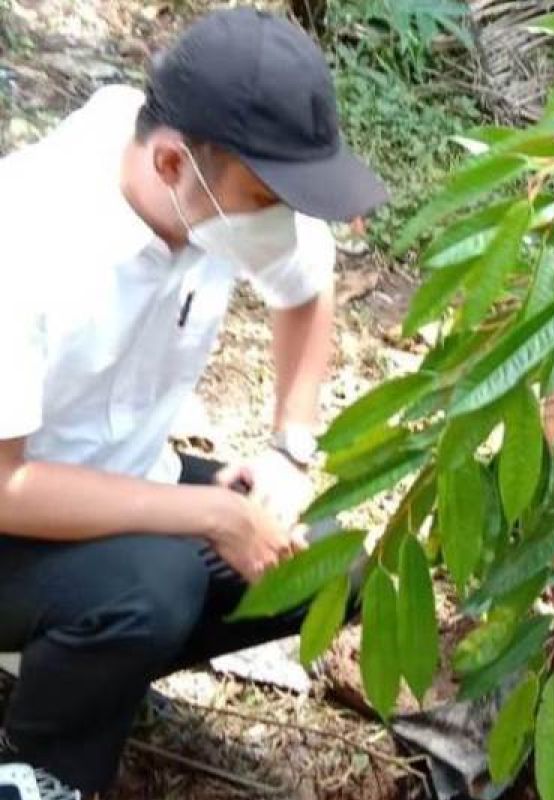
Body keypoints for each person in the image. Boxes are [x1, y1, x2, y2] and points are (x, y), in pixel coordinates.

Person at [0, 8, 388, 799]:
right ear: (173, 162)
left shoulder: (214, 188)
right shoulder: (32, 237)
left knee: (330, 565)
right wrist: (211, 515)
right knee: (152, 589)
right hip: (15, 512)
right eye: (265, 196)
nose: (281, 218)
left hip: (128, 480)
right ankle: (37, 772)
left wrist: (290, 446)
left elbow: (307, 295)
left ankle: (93, 665)